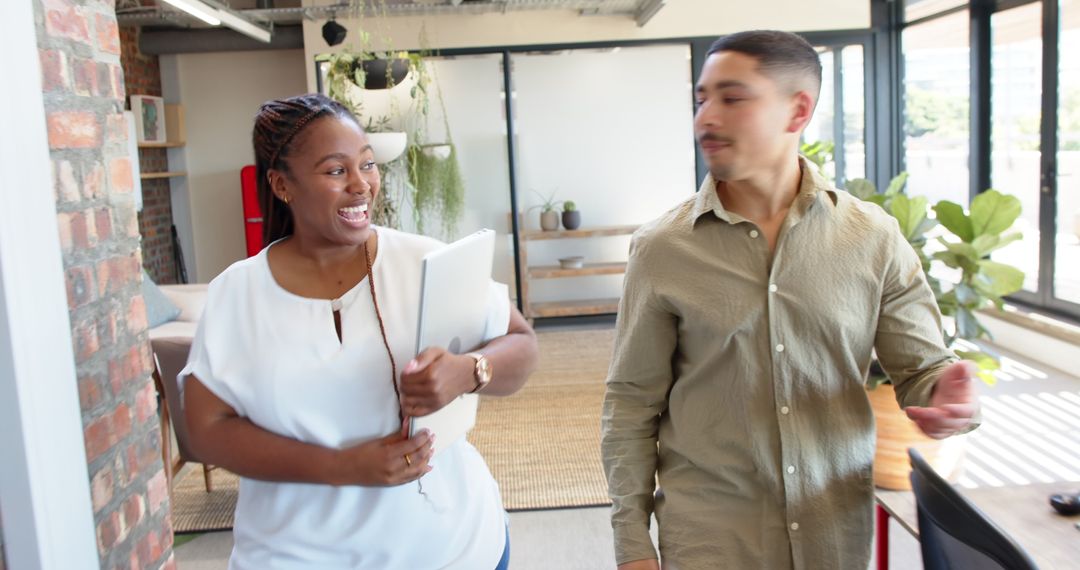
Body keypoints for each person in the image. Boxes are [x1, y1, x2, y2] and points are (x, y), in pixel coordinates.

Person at [601, 30, 979, 570]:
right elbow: (631, 404)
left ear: (797, 111)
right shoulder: (662, 248)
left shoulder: (872, 238)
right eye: (702, 98)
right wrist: (632, 545)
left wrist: (952, 399)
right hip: (711, 541)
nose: (706, 118)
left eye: (732, 98)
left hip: (834, 539)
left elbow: (923, 369)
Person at [181, 93, 539, 569]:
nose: (361, 185)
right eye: (335, 171)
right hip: (294, 555)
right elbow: (206, 430)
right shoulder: (237, 293)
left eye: (367, 165)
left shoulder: (425, 260)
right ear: (281, 184)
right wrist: (340, 467)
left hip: (453, 549)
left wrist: (469, 370)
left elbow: (522, 345)